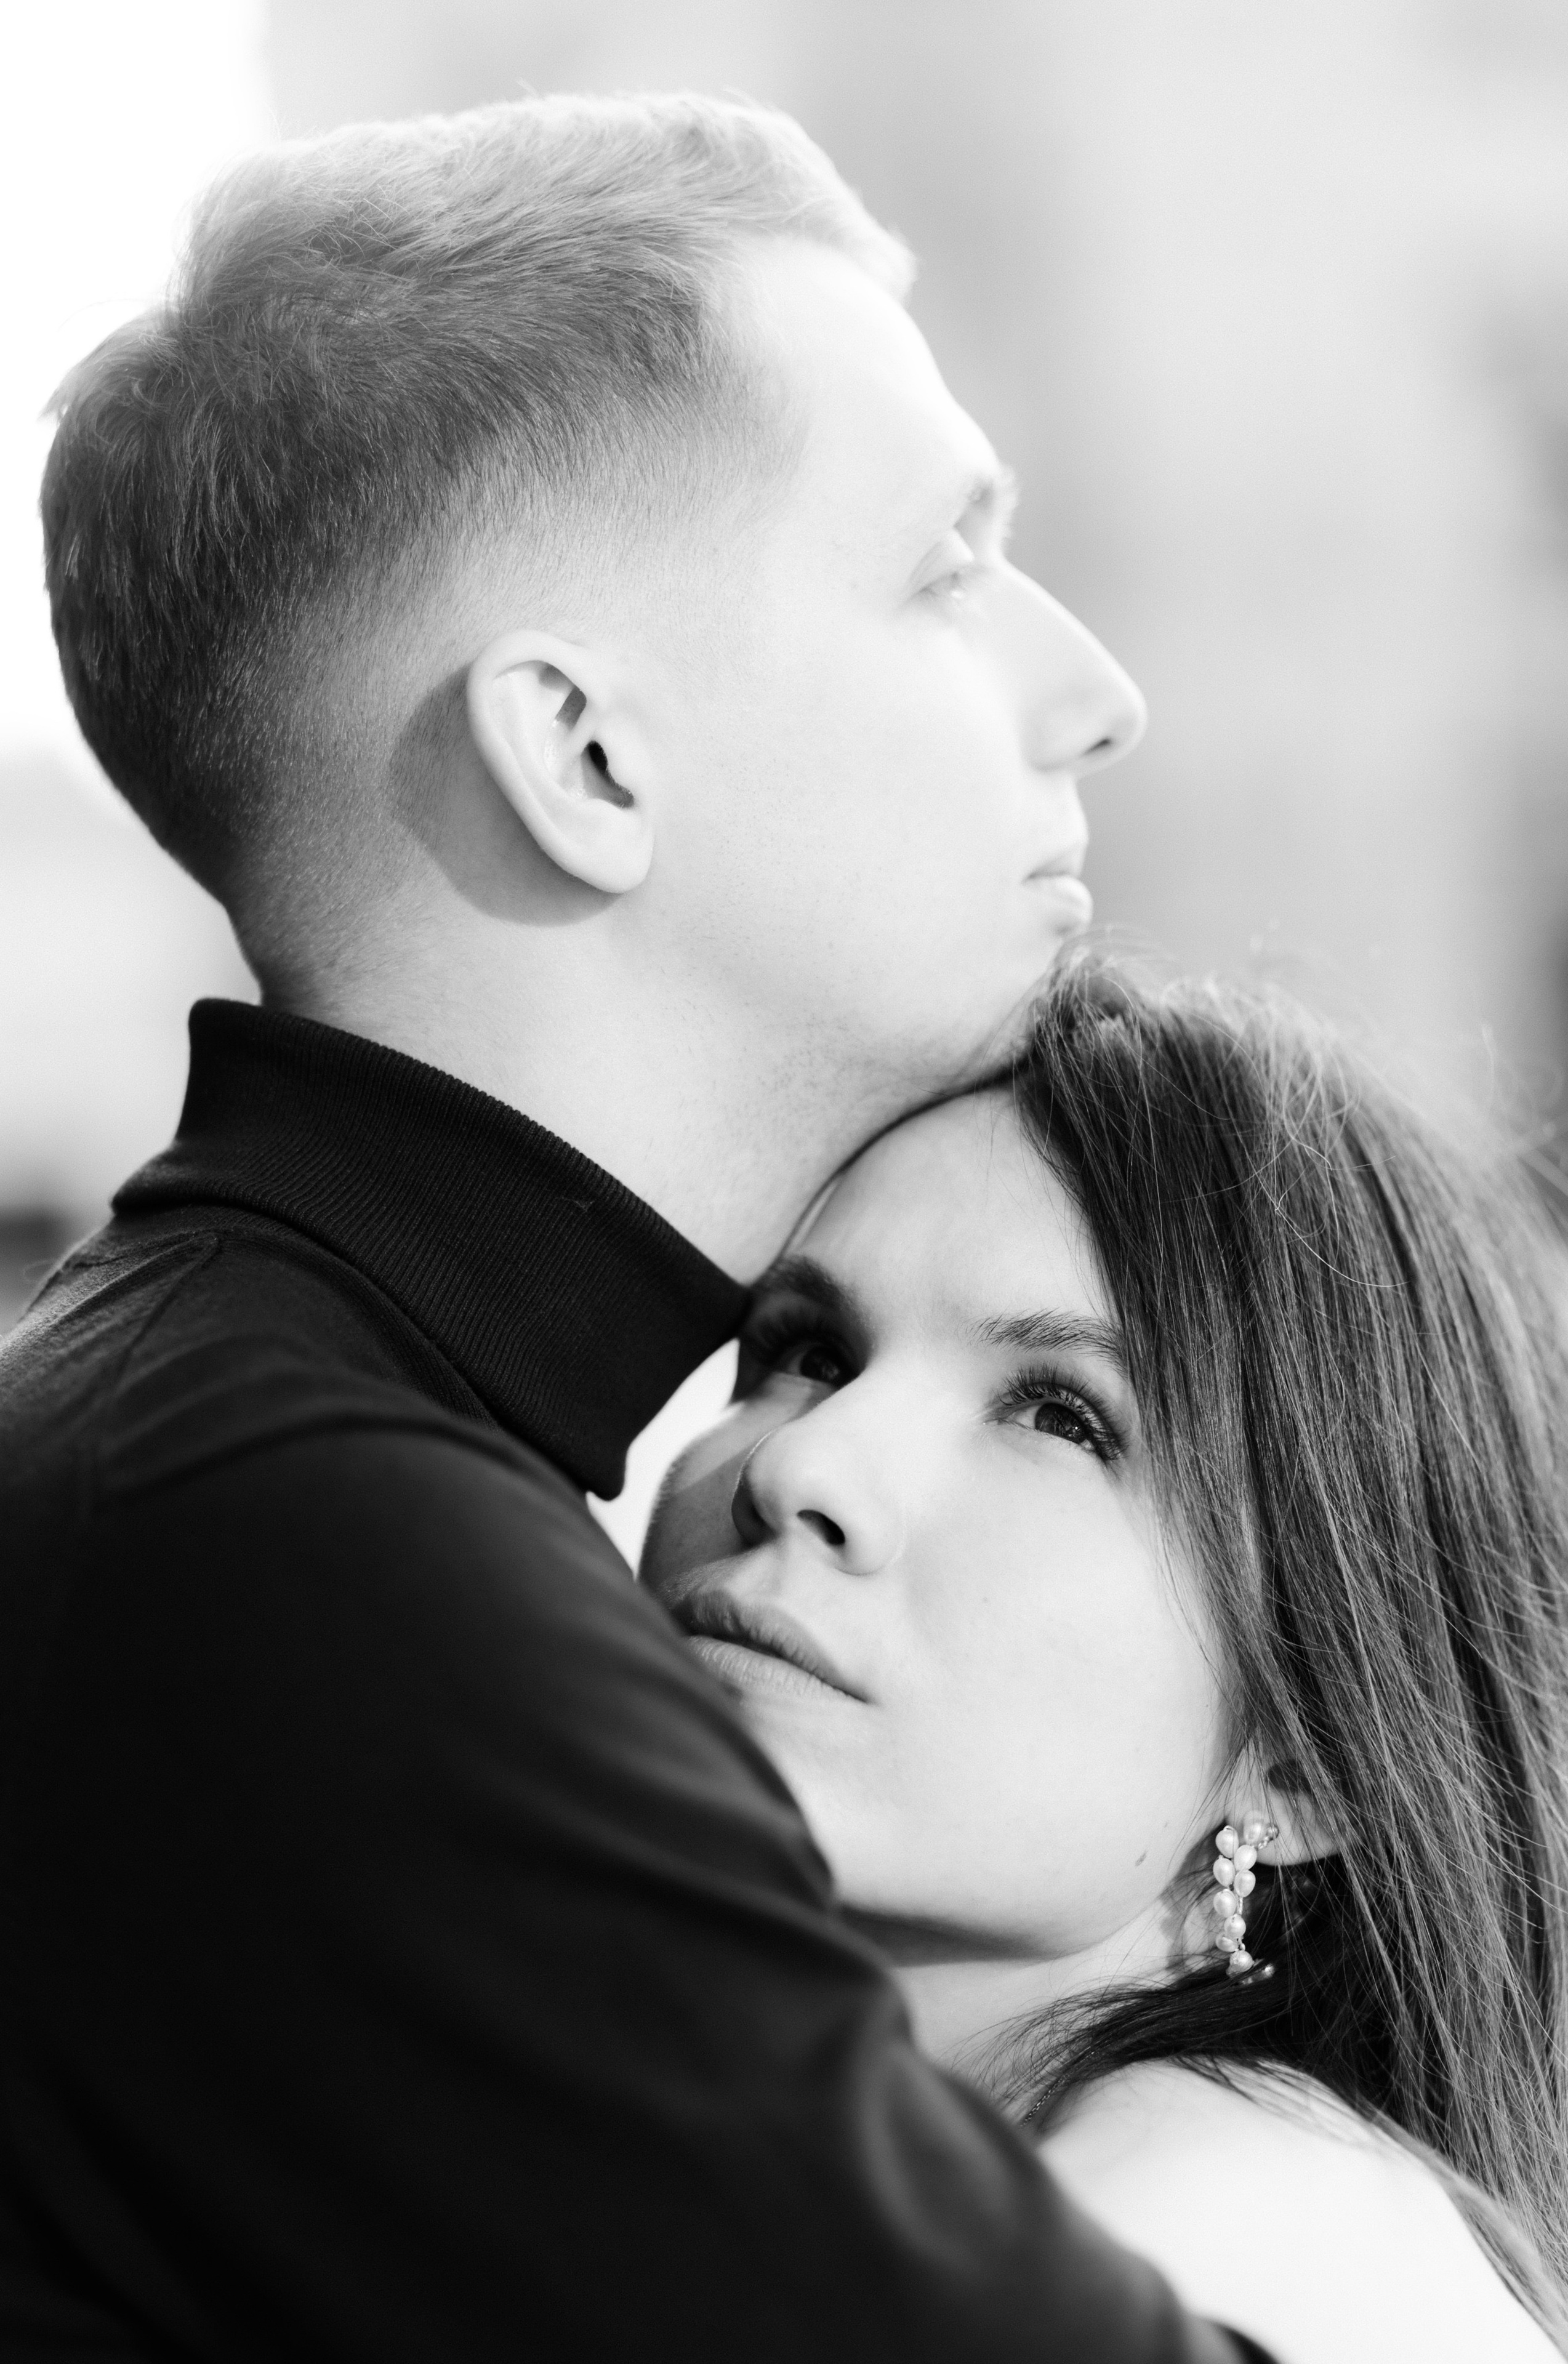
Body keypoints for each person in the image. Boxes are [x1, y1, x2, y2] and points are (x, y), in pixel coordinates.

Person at [0, 91, 1272, 2364]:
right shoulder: (310, 1558)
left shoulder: (253, 1454)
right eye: (946, 568)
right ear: (586, 755)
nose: (1094, 691)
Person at [644, 954, 1568, 2364]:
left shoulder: (1213, 2251)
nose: (800, 1463)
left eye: (1059, 1417)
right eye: (807, 1349)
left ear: (1314, 1756)